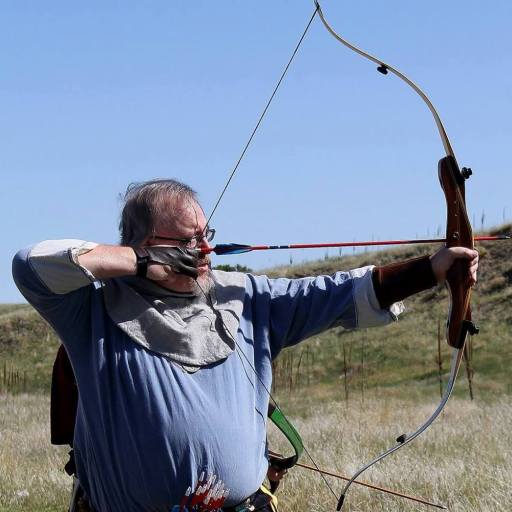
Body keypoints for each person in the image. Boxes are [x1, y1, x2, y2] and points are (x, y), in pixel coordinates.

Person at [12, 179, 478, 512]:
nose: (203, 251)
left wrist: (434, 269)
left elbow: (336, 292)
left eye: (205, 236)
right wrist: (140, 262)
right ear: (144, 243)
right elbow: (30, 264)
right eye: (186, 241)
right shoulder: (91, 310)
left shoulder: (245, 297)